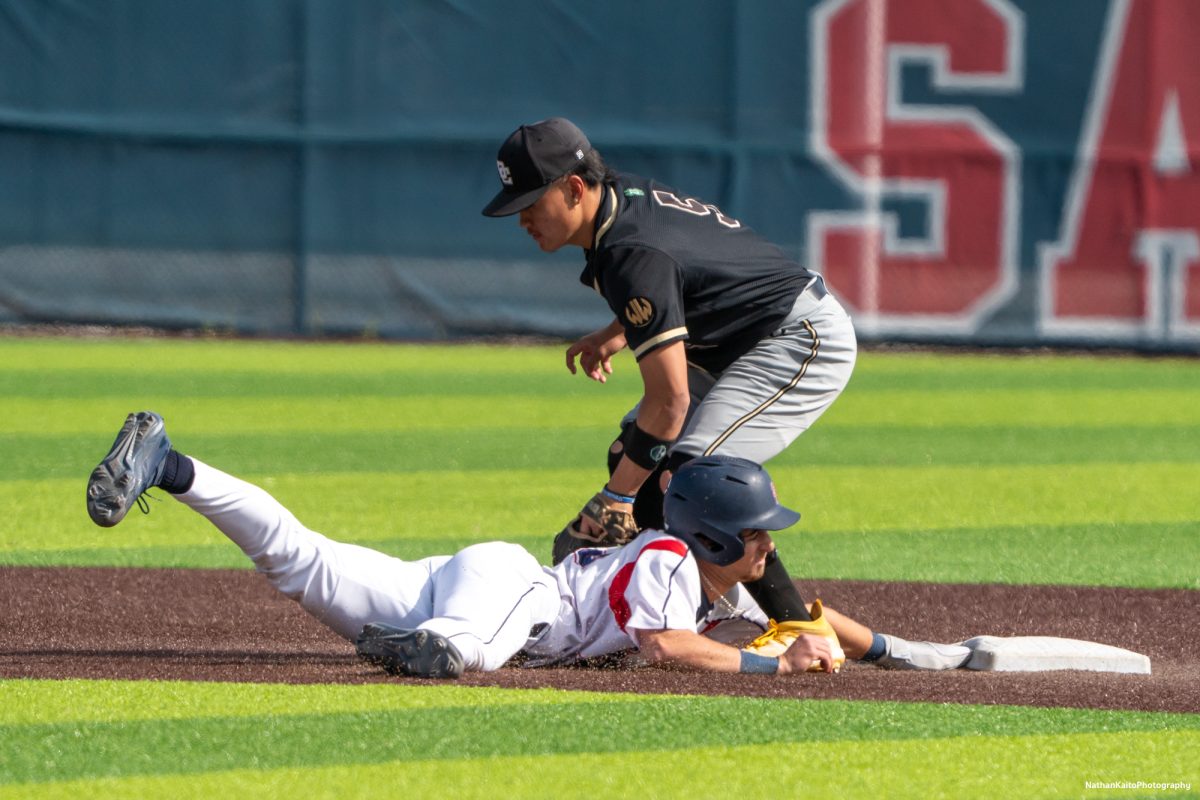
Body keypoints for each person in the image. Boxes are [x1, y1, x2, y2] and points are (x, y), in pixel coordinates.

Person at [85, 411, 971, 678]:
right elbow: (666, 646)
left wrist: (890, 650)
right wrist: (777, 666)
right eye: (755, 537)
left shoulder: (718, 583)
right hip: (515, 592)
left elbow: (809, 618)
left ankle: (174, 467)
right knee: (467, 655)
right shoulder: (669, 564)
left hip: (463, 583)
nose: (768, 551)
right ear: (708, 537)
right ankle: (435, 650)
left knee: (300, 561)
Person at [481, 117, 859, 656]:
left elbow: (671, 401)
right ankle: (669, 610)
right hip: (738, 338)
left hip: (795, 340)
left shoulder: (629, 250)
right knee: (631, 453)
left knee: (693, 480)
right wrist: (618, 334)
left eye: (531, 201)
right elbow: (678, 277)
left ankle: (796, 627)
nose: (521, 218)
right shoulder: (620, 203)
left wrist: (614, 499)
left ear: (573, 188)